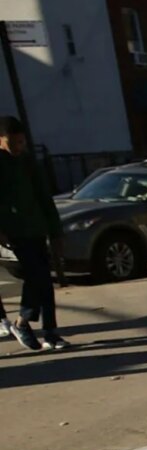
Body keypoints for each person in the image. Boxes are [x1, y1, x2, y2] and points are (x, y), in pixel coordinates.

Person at [0, 117, 67, 351]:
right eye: (13, 143)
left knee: (43, 281)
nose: (18, 147)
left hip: (36, 228)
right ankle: (22, 322)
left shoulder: (28, 162)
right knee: (37, 276)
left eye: (21, 142)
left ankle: (50, 332)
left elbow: (44, 197)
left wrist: (55, 231)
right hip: (14, 232)